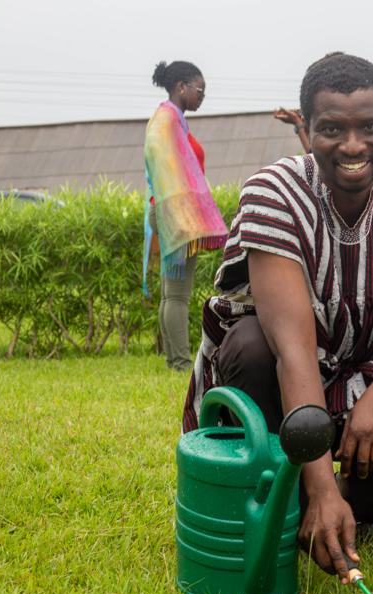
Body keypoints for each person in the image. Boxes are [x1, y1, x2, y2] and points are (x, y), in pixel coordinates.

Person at [182, 52, 373, 581]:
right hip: (280, 378)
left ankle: (353, 509)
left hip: (369, 373)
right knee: (251, 345)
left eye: (370, 126)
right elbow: (292, 350)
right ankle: (297, 500)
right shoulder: (273, 193)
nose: (352, 146)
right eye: (331, 129)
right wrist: (318, 485)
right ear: (306, 131)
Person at [144, 60, 228, 371]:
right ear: (182, 87)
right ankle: (179, 363)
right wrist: (186, 217)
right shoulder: (167, 120)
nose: (202, 96)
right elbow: (172, 175)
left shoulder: (170, 118)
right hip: (174, 214)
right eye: (199, 89)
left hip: (169, 212)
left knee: (171, 294)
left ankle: (173, 359)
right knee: (178, 295)